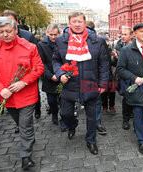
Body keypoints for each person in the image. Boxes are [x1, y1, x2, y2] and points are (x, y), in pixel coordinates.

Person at [52, 12, 109, 155]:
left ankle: (91, 141)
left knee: (91, 117)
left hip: (90, 85)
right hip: (69, 85)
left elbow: (103, 64)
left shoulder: (97, 40)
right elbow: (56, 60)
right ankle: (72, 125)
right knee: (65, 114)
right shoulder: (60, 40)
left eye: (80, 21)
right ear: (69, 24)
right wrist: (60, 74)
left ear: (85, 23)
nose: (77, 24)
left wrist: (103, 83)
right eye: (74, 21)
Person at [0, 17, 44, 170]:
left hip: (27, 95)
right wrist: (0, 88)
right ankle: (28, 137)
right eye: (1, 32)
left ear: (16, 30)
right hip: (6, 96)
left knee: (25, 124)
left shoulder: (29, 47)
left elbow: (38, 68)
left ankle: (26, 156)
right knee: (20, 123)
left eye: (8, 31)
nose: (5, 35)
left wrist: (24, 82)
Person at [116, 23, 143, 154]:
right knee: (139, 112)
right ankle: (142, 141)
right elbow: (120, 69)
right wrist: (134, 78)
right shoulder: (126, 50)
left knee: (142, 110)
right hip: (134, 88)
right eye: (142, 31)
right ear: (135, 34)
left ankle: (137, 127)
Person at [1, 10, 41, 132]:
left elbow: (36, 59)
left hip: (27, 75)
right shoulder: (0, 36)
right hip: (9, 79)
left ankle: (37, 109)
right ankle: (22, 125)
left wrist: (27, 79)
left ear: (17, 23)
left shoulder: (28, 36)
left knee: (32, 95)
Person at [37, 24, 67, 131]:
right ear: (47, 34)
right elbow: (41, 63)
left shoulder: (63, 44)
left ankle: (63, 120)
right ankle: (54, 113)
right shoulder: (41, 45)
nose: (53, 37)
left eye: (55, 34)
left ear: (59, 34)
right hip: (49, 78)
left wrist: (62, 74)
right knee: (51, 101)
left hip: (62, 77)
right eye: (51, 35)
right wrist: (50, 76)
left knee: (63, 101)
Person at [112, 26, 134, 130]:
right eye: (122, 34)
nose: (123, 36)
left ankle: (132, 113)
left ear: (131, 35)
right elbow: (114, 63)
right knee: (126, 98)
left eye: (125, 34)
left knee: (134, 97)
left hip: (135, 77)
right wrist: (115, 57)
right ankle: (125, 119)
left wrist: (119, 55)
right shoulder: (119, 44)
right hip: (123, 77)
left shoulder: (136, 45)